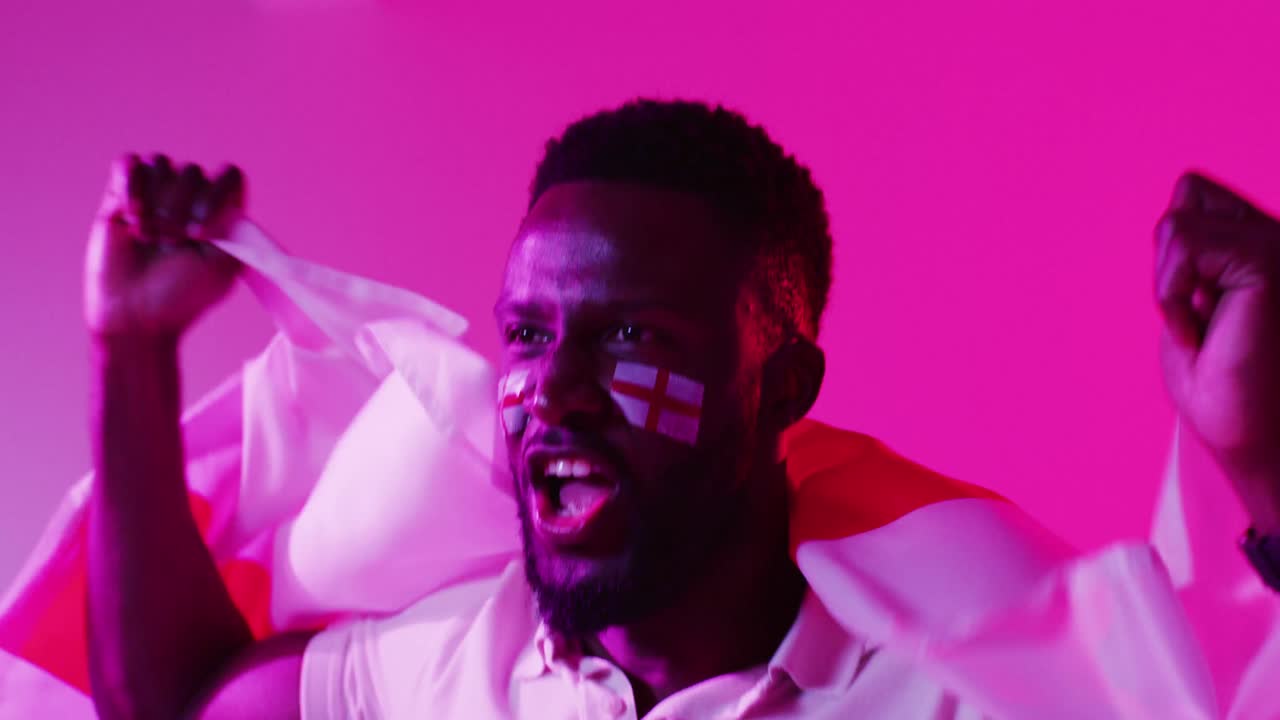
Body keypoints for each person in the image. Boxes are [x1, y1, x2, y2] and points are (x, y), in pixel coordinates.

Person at [83, 99, 1280, 719]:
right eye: (528, 334)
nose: (547, 389)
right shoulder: (444, 668)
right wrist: (132, 352)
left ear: (782, 389)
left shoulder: (957, 685)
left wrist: (1269, 461)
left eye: (628, 339)